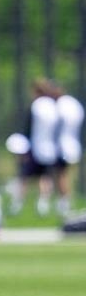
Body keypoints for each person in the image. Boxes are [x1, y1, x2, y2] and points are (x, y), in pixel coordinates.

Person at [7, 78, 59, 216]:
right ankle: (43, 204)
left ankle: (17, 204)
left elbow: (28, 129)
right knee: (45, 177)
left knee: (24, 176)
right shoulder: (53, 105)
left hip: (35, 148)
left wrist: (23, 149)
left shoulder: (36, 105)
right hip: (50, 149)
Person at [50, 80, 83, 217]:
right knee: (68, 175)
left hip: (63, 146)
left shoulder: (61, 105)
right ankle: (67, 201)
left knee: (62, 175)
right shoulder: (73, 103)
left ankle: (64, 203)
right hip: (73, 144)